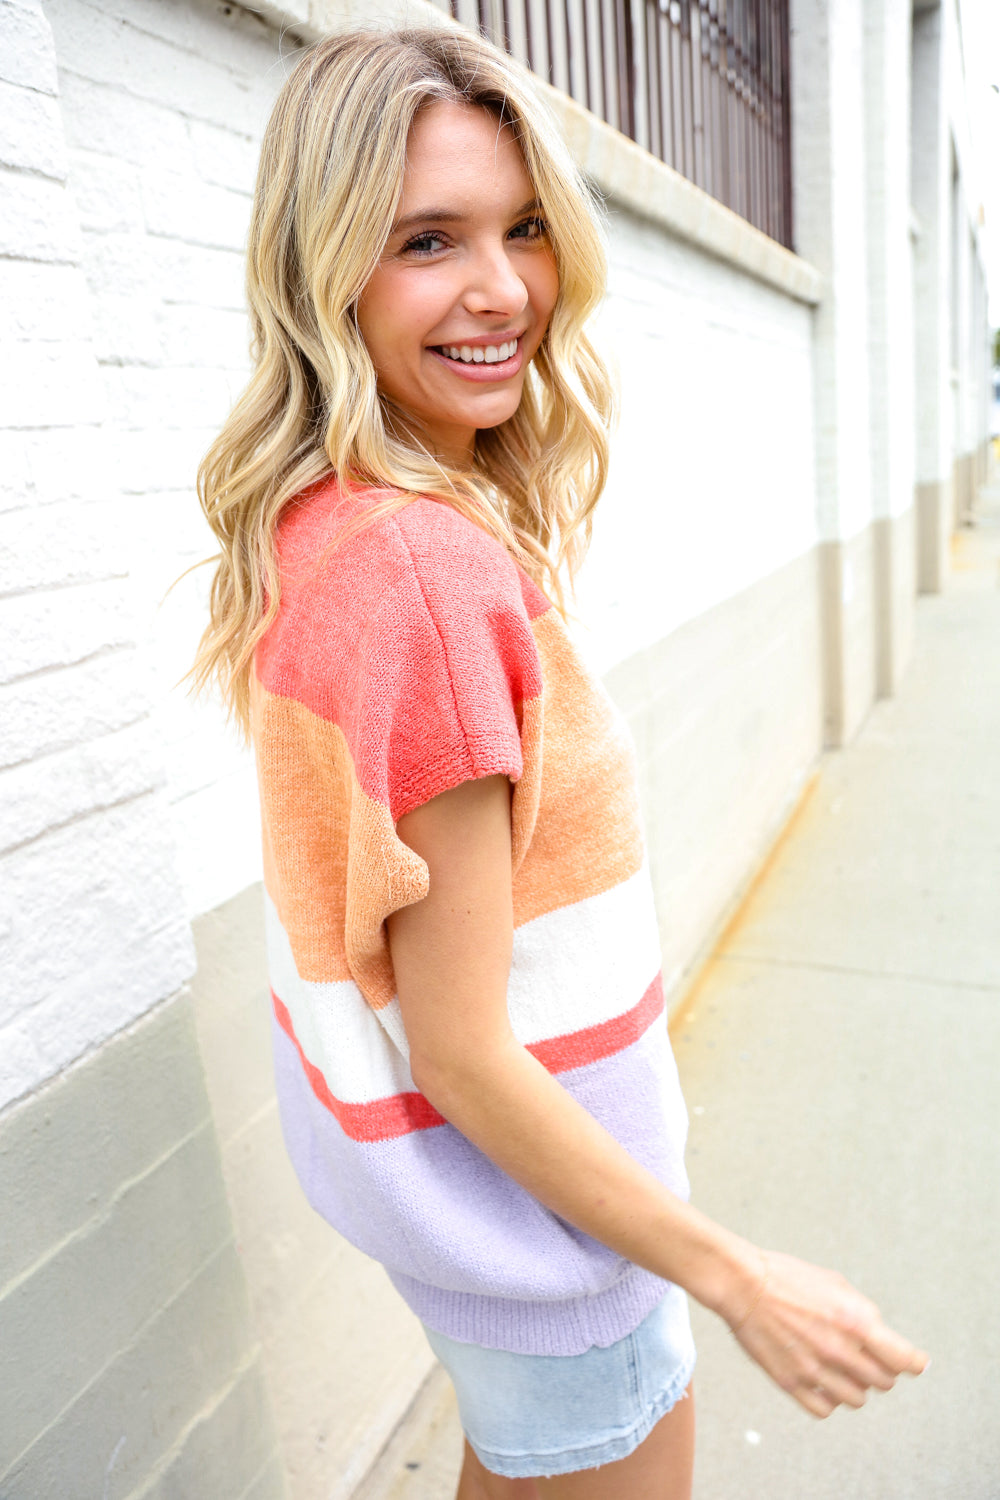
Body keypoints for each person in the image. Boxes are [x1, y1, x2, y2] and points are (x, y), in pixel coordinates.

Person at [192, 25, 928, 1497]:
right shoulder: (422, 578)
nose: (503, 288)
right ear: (326, 268)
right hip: (558, 1250)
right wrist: (738, 1277)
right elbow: (463, 1051)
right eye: (428, 240)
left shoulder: (324, 523)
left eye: (524, 226)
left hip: (499, 1242)